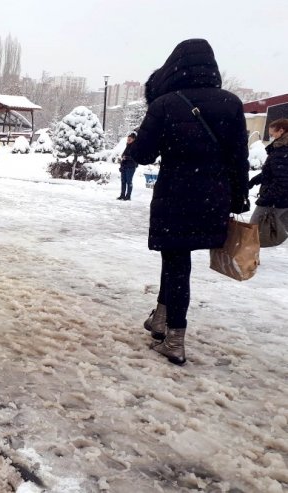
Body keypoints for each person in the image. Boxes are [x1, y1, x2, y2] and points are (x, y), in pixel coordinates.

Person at [131, 39, 250, 365]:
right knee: (175, 263)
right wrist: (239, 197)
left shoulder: (166, 104)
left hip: (175, 196)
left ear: (175, 66)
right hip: (214, 198)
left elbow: (143, 154)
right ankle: (160, 320)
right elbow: (241, 156)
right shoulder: (231, 103)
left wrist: (133, 144)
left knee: (176, 262)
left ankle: (175, 338)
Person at [248, 118, 288, 231]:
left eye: (272, 134)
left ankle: (249, 248)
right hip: (282, 198)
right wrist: (253, 181)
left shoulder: (282, 150)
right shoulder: (280, 149)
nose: (270, 136)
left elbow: (283, 181)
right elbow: (273, 172)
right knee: (281, 231)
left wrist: (266, 199)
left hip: (277, 199)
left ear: (281, 131)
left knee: (253, 229)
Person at [118, 131, 138, 200]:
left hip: (131, 167)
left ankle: (128, 196)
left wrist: (126, 157)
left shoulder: (135, 147)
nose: (128, 140)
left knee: (129, 181)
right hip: (124, 166)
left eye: (130, 139)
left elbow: (135, 158)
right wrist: (123, 158)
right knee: (123, 181)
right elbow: (123, 155)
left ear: (133, 140)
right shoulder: (127, 146)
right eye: (128, 139)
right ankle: (122, 195)